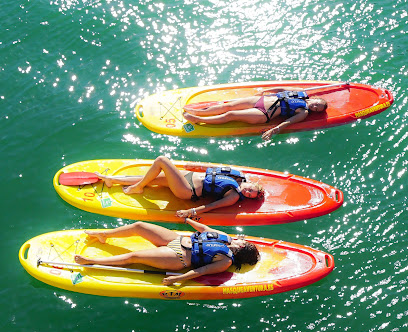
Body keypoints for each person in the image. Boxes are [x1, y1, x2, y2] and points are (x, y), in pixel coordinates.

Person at [74, 218, 260, 286]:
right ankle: (104, 235)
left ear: (242, 247)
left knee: (134, 257)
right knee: (140, 226)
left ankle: (91, 261)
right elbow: (204, 229)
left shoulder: (226, 260)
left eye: (243, 240)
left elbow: (201, 271)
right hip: (175, 240)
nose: (241, 238)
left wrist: (177, 279)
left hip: (178, 258)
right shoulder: (225, 237)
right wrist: (188, 219)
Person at [96, 156, 264, 219]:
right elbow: (213, 170)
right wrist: (195, 166)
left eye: (250, 195)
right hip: (187, 177)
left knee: (161, 161)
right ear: (250, 182)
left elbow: (211, 206)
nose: (247, 192)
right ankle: (112, 180)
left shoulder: (233, 195)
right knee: (150, 178)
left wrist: (190, 212)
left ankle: (137, 188)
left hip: (186, 190)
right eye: (250, 189)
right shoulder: (237, 176)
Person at [182, 87, 328, 141]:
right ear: (314, 99)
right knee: (229, 106)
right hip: (260, 100)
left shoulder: (303, 111)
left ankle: (198, 119)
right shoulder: (301, 93)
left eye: (317, 109)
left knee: (231, 114)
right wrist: (264, 91)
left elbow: (288, 122)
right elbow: (281, 89)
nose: (314, 107)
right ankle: (198, 111)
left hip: (263, 113)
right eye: (317, 104)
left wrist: (274, 129)